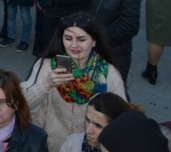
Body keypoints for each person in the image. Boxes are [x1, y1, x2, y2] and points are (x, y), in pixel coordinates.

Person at [22, 11, 127, 151]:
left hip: (88, 147)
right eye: (68, 38)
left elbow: (122, 119)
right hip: (49, 145)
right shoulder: (47, 65)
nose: (74, 45)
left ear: (94, 41)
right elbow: (22, 106)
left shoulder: (109, 73)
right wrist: (46, 84)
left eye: (82, 39)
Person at [59, 92, 139, 152]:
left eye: (98, 126)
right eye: (87, 120)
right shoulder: (72, 143)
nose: (88, 131)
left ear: (116, 128)